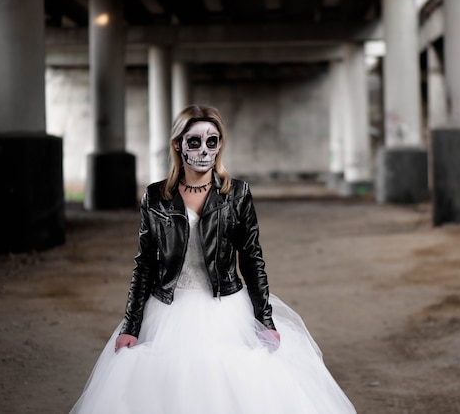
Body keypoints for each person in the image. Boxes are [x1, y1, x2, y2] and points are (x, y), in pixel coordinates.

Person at [70, 104, 357, 414]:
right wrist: (131, 324)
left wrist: (265, 319)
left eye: (213, 141)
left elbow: (252, 258)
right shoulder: (155, 197)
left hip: (226, 308)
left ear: (220, 145)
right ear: (178, 145)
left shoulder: (237, 194)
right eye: (194, 141)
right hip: (167, 309)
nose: (204, 150)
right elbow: (145, 265)